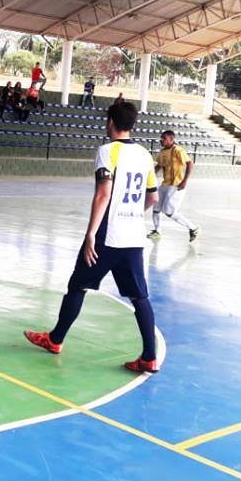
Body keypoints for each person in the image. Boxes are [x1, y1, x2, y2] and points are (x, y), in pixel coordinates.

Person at [24, 102, 161, 374]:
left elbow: (103, 194)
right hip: (134, 238)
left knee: (77, 287)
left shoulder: (107, 151)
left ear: (110, 121)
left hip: (107, 237)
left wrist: (90, 235)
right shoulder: (145, 155)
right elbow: (153, 197)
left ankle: (55, 340)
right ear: (131, 124)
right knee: (140, 298)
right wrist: (131, 213)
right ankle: (149, 357)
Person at [148, 130, 200, 242]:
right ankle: (157, 231)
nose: (161, 140)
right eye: (161, 138)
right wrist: (149, 176)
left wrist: (185, 181)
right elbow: (158, 167)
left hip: (176, 185)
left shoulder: (178, 150)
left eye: (164, 138)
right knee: (156, 208)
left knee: (169, 211)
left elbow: (190, 163)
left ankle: (193, 228)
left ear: (171, 139)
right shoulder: (162, 152)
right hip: (165, 184)